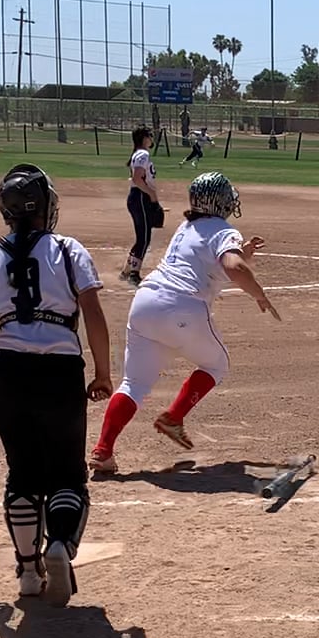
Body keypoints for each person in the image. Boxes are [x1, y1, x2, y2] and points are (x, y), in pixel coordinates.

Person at [0, 165, 113, 605]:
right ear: (45, 207)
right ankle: (59, 543)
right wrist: (102, 373)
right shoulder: (67, 250)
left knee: (22, 474)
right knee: (67, 473)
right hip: (60, 370)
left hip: (8, 373)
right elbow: (94, 315)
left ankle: (28, 571)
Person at [90, 172, 280, 474]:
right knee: (216, 365)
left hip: (145, 302)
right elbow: (233, 267)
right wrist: (260, 295)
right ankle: (174, 417)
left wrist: (245, 252)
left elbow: (217, 262)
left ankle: (103, 451)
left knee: (134, 384)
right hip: (182, 306)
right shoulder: (224, 230)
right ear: (221, 202)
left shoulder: (187, 227)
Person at [122, 127, 162, 286]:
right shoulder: (142, 154)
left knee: (142, 237)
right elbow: (137, 179)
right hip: (140, 197)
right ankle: (134, 274)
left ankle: (126, 271)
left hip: (139, 197)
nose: (152, 138)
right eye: (150, 136)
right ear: (144, 138)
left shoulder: (139, 154)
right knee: (144, 238)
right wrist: (152, 195)